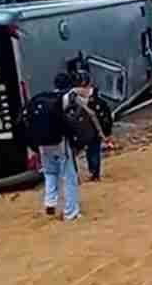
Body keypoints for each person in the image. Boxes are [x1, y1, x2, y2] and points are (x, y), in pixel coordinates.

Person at [40, 73, 80, 220]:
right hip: (60, 142)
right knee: (69, 176)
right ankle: (71, 212)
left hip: (43, 143)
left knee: (50, 173)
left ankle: (50, 201)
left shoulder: (45, 98)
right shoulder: (66, 98)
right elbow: (70, 120)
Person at [71, 72, 112, 182]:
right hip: (89, 129)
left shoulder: (73, 96)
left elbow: (103, 115)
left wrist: (105, 132)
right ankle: (94, 173)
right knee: (93, 150)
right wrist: (105, 133)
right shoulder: (94, 96)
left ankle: (92, 173)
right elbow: (105, 115)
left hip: (84, 129)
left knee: (91, 150)